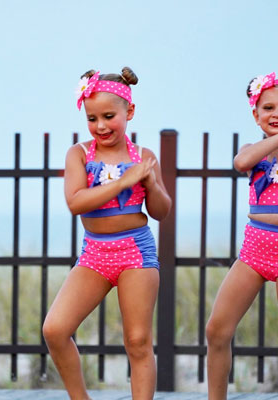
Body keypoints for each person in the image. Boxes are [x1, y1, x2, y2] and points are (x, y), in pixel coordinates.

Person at [42, 67, 171, 399]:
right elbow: (76, 202)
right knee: (55, 329)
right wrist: (124, 182)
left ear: (129, 112)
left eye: (109, 116)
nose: (100, 126)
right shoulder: (80, 154)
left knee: (138, 340)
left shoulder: (144, 157)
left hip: (136, 252)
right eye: (92, 118)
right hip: (95, 253)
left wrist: (152, 184)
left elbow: (160, 211)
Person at [205, 73, 278, 399]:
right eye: (268, 107)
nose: (277, 114)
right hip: (253, 250)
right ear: (256, 115)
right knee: (217, 329)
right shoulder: (254, 151)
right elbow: (241, 161)